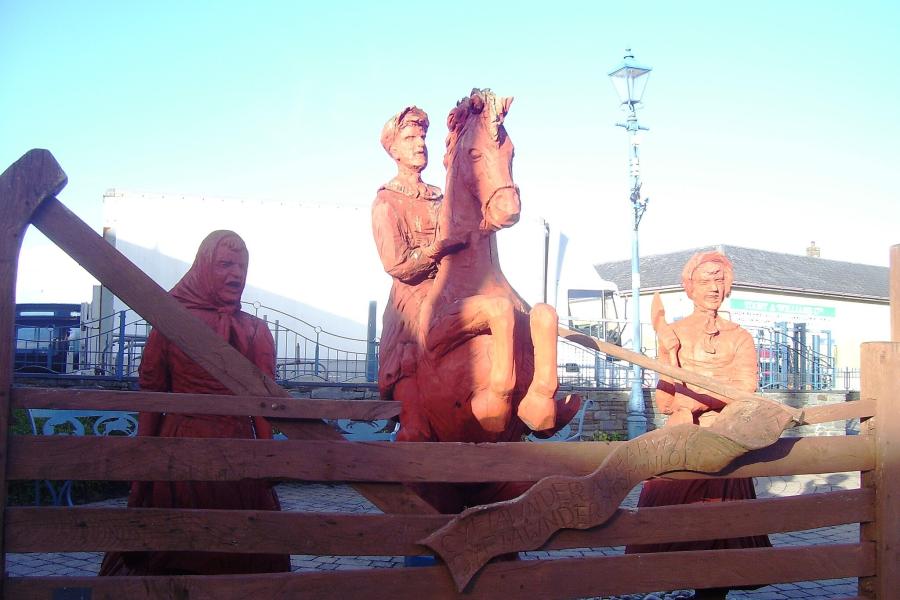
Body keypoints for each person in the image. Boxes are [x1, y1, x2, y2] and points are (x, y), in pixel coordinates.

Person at [99, 230, 290, 576]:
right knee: (176, 550)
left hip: (238, 454)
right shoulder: (170, 323)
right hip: (180, 452)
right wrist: (143, 473)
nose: (236, 274)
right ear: (203, 267)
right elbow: (152, 397)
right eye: (225, 264)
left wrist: (267, 456)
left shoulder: (255, 330)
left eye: (242, 266)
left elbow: (263, 403)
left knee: (244, 548)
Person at [625, 250, 770, 600]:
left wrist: (697, 399)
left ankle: (712, 593)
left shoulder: (740, 337)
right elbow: (664, 402)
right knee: (667, 525)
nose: (714, 287)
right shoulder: (672, 334)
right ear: (690, 287)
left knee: (723, 530)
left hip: (726, 443)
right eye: (706, 280)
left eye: (720, 279)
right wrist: (668, 355)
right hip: (682, 446)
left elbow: (744, 390)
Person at [371, 106, 459, 411]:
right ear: (394, 149)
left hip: (451, 285)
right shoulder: (387, 201)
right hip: (413, 295)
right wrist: (437, 248)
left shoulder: (440, 196)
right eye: (410, 138)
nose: (420, 143)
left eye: (422, 136)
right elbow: (397, 264)